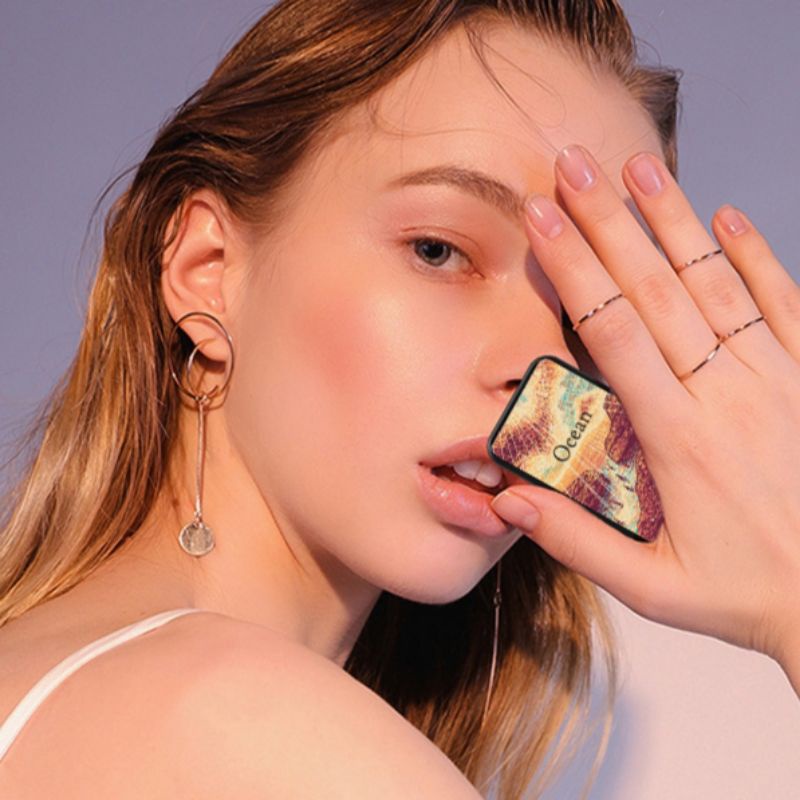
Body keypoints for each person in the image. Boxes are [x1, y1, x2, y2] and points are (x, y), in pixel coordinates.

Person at [0, 1, 797, 797]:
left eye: (588, 311)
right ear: (208, 269)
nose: (545, 371)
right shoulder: (257, 728)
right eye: (439, 250)